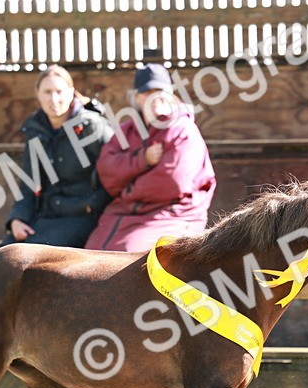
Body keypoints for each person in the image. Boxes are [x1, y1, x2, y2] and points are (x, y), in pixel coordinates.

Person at [84, 63, 216, 252]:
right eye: (147, 92)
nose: (154, 97)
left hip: (173, 213)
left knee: (127, 257)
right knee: (92, 253)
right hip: (124, 212)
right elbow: (107, 169)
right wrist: (142, 160)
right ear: (137, 97)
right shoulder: (127, 130)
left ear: (170, 93)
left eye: (159, 90)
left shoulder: (183, 128)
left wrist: (128, 189)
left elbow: (172, 182)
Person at [1, 64, 113, 248]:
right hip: (46, 215)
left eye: (59, 91)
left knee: (36, 258)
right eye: (47, 92)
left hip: (84, 216)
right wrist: (17, 218)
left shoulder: (92, 126)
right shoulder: (35, 130)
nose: (54, 99)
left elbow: (117, 171)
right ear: (37, 94)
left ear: (71, 92)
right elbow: (28, 183)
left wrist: (93, 204)